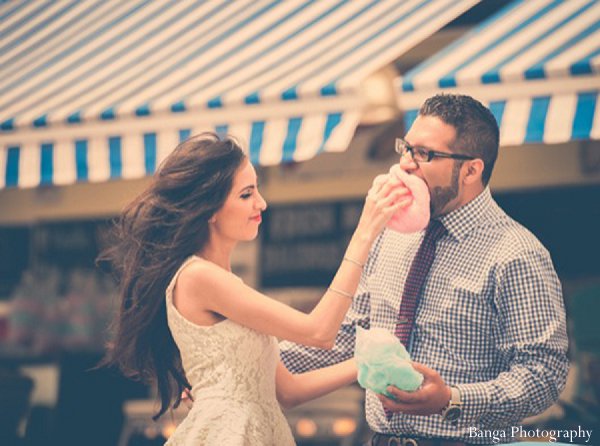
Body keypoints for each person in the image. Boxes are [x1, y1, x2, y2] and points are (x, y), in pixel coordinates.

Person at [281, 94, 569, 445]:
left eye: (426, 155)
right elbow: (347, 334)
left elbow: (544, 375)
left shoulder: (516, 253)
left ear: (471, 170)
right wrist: (243, 368)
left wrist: (452, 399)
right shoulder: (391, 234)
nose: (406, 165)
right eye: (407, 149)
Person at [100, 132, 411, 445]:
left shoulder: (222, 282)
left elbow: (288, 392)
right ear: (210, 209)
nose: (261, 203)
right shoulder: (198, 276)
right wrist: (365, 232)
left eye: (257, 190)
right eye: (246, 194)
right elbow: (318, 332)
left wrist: (370, 362)